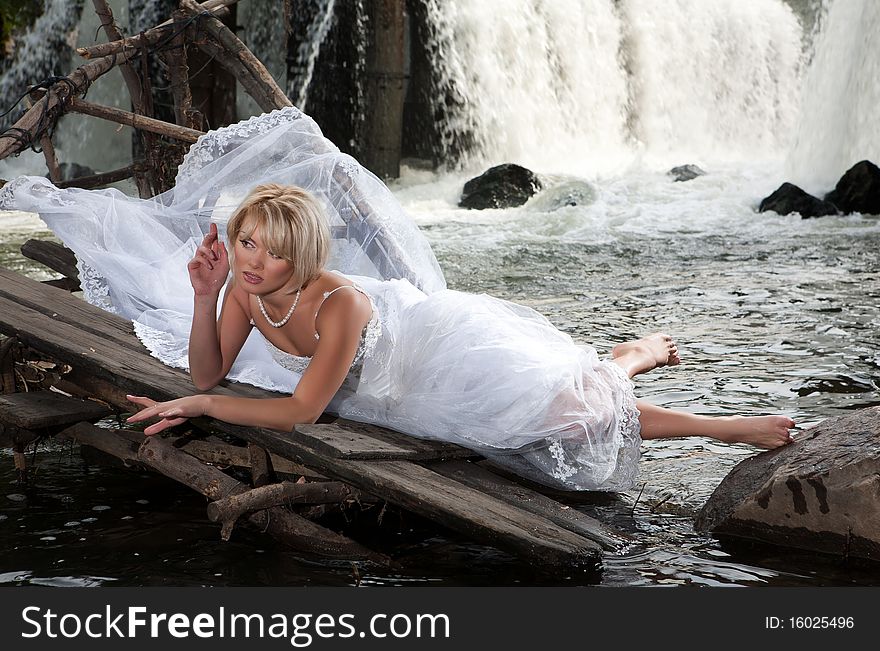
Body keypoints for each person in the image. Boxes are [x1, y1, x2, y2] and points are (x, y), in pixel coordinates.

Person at [0, 107, 794, 492]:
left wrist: (206, 411)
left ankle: (703, 410)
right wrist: (206, 299)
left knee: (575, 409)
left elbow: (303, 410)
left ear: (302, 255)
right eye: (245, 241)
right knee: (571, 410)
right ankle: (629, 355)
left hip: (431, 351)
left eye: (272, 249)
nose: (254, 259)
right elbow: (207, 373)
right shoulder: (243, 283)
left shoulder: (335, 302)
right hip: (389, 398)